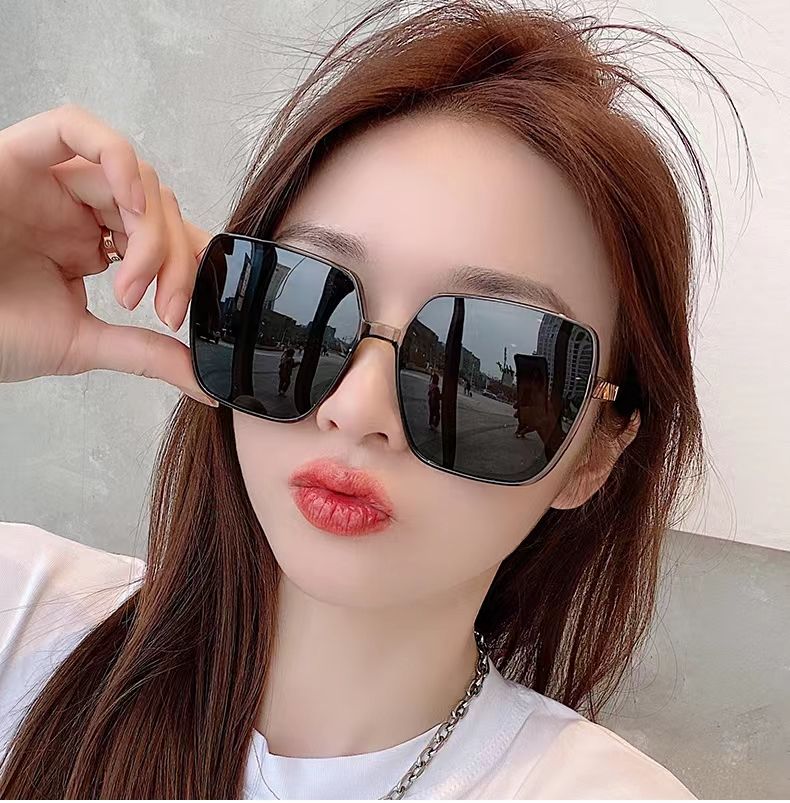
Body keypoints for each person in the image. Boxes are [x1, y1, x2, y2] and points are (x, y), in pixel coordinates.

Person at [0, 1, 742, 798]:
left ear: (593, 451)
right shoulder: (23, 617)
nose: (356, 408)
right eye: (308, 305)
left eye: (481, 363)